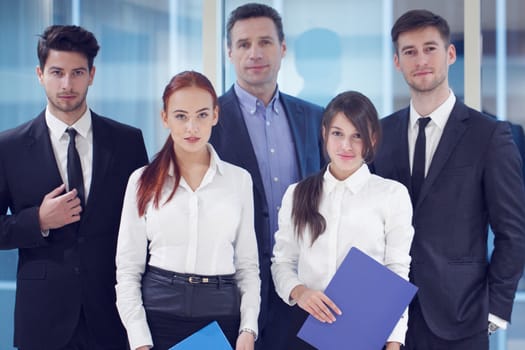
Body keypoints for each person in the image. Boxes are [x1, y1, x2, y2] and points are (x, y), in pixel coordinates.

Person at [372, 9, 525, 350]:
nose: (421, 59)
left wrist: (496, 309)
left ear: (450, 54)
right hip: (388, 316)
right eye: (409, 52)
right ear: (397, 62)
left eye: (430, 48)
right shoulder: (380, 134)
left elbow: (513, 231)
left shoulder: (489, 135)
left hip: (462, 314)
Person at [0, 25, 148, 350]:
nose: (67, 84)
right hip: (42, 320)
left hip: (112, 315)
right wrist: (36, 221)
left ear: (92, 75)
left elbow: (144, 225)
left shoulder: (127, 142)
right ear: (40, 74)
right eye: (57, 72)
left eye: (77, 72)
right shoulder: (8, 147)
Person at [115, 71, 260, 350]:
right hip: (158, 318)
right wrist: (139, 340)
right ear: (165, 117)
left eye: (202, 115)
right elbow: (128, 269)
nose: (192, 127)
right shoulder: (141, 180)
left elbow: (247, 266)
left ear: (216, 115)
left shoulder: (238, 180)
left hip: (221, 320)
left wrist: (248, 328)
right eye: (181, 116)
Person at [209, 3, 324, 348]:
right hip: (235, 289)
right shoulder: (207, 121)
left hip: (304, 287)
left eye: (265, 42)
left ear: (282, 48)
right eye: (243, 44)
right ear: (229, 52)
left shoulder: (315, 118)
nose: (255, 53)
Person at [271, 91, 414, 350]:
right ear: (324, 133)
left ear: (372, 139)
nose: (346, 146)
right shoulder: (297, 193)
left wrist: (394, 341)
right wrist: (300, 292)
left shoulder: (392, 195)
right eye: (338, 133)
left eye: (357, 136)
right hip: (304, 330)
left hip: (366, 332)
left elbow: (397, 273)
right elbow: (282, 263)